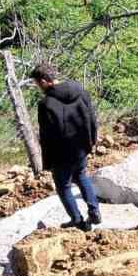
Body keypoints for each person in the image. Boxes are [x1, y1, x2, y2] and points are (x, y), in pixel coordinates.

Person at [31, 63, 101, 231]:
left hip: (62, 154)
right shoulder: (79, 90)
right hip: (81, 148)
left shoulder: (46, 104)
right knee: (82, 176)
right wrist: (91, 142)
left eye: (37, 83)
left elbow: (47, 137)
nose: (38, 87)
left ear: (44, 81)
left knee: (64, 187)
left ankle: (77, 220)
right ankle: (94, 211)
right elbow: (91, 117)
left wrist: (48, 162)